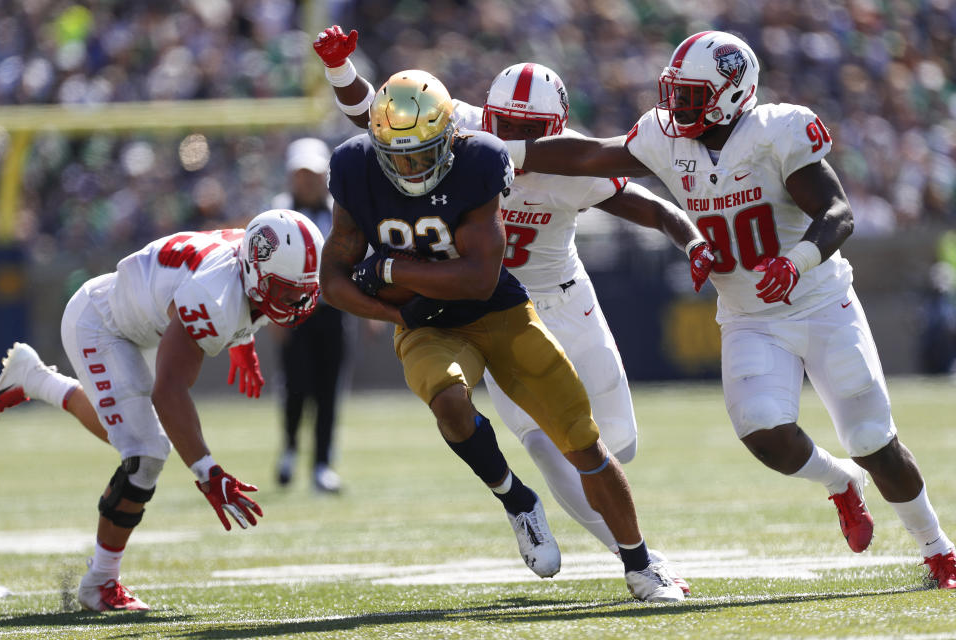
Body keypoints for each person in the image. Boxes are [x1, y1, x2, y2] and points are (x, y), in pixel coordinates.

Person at [504, 30, 956, 589]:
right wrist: (507, 150)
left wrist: (796, 261)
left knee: (871, 439)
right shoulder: (666, 138)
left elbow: (838, 212)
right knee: (762, 432)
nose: (675, 106)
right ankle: (839, 482)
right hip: (748, 313)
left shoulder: (777, 131)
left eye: (691, 95)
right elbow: (590, 154)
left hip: (820, 302)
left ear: (732, 91)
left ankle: (938, 548)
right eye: (674, 92)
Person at [313, 25, 712, 593]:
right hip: (466, 306)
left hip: (554, 297)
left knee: (617, 440)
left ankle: (623, 537)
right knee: (550, 447)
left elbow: (642, 197)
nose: (515, 138)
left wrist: (691, 238)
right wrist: (339, 71)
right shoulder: (460, 134)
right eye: (508, 128)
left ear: (555, 129)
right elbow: (385, 115)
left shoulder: (551, 160)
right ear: (484, 116)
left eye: (531, 133)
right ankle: (635, 558)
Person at [0, 209, 325, 610]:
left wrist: (243, 344)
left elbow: (231, 284)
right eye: (288, 290)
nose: (299, 300)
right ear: (257, 271)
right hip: (103, 325)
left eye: (304, 289)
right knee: (146, 453)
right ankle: (99, 582)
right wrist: (208, 472)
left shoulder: (250, 257)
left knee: (124, 432)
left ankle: (32, 378)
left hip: (140, 323)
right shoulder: (215, 297)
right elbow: (169, 392)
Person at [271, 138, 351, 492]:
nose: (308, 181)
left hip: (331, 311)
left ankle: (321, 463)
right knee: (295, 387)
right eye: (302, 174)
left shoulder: (341, 210)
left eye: (314, 174)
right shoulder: (276, 214)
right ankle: (289, 449)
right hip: (292, 315)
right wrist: (273, 315)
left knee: (328, 392)